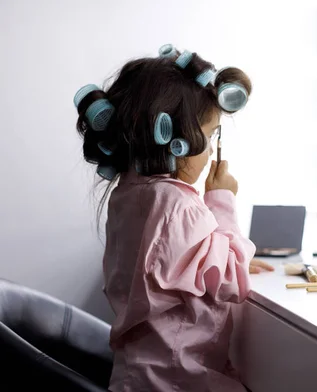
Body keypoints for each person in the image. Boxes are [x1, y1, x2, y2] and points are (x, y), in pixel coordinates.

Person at [74, 44, 274, 391]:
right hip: (176, 378)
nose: (211, 149)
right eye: (209, 135)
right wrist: (222, 199)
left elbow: (172, 266)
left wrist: (217, 251)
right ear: (173, 138)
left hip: (139, 375)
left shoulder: (129, 193)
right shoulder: (176, 204)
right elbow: (230, 281)